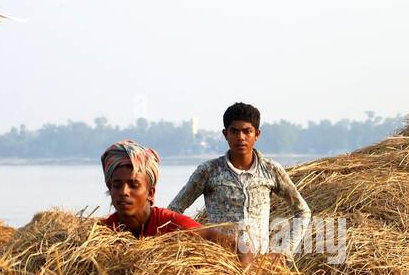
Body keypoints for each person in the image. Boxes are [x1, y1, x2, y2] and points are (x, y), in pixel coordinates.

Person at [167, 102, 312, 260]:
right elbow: (173, 212)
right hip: (220, 265)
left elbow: (303, 212)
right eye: (234, 131)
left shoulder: (271, 170)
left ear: (257, 134)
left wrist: (284, 252)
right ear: (225, 134)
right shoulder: (208, 171)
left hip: (260, 266)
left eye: (247, 131)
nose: (240, 137)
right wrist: (194, 246)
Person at [100, 140, 253, 264]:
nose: (124, 192)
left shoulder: (172, 225)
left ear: (151, 194)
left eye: (134, 185)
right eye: (117, 185)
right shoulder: (103, 233)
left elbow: (241, 248)